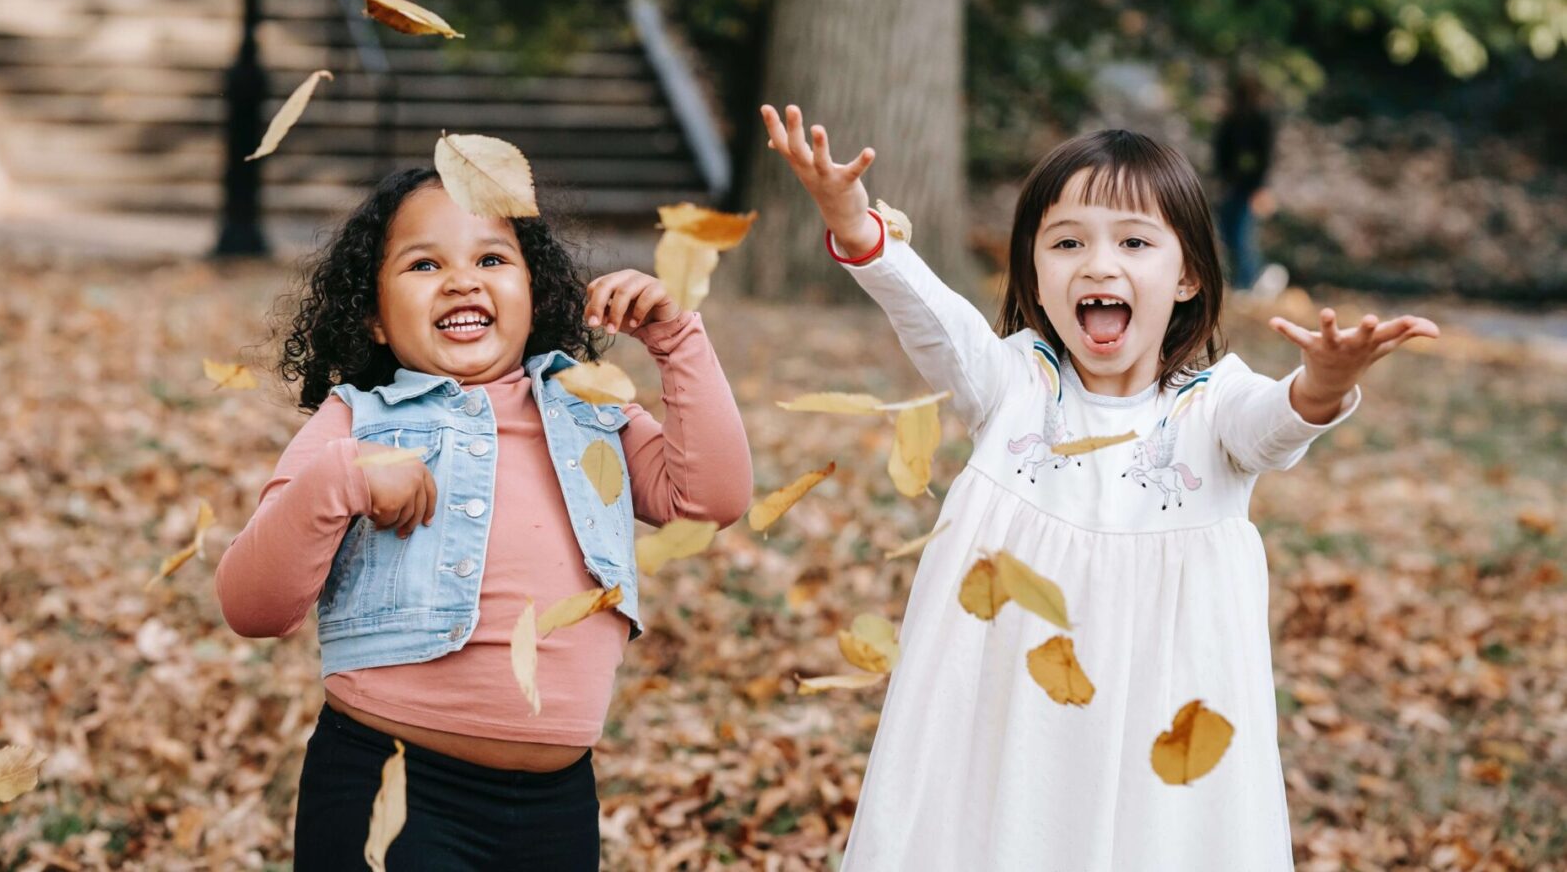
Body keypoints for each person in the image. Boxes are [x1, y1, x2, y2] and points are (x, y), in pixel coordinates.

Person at [761, 104, 1437, 871]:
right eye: (1068, 242)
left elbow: (1274, 425)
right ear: (1035, 275)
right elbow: (929, 314)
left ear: (1186, 277)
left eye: (1135, 242)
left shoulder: (1214, 406)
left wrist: (1322, 382)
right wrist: (853, 222)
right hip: (1008, 720)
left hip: (1163, 723)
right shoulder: (1011, 383)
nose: (1099, 263)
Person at [214, 167, 753, 871]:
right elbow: (251, 605)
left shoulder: (592, 408)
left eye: (492, 259)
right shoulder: (360, 422)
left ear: (535, 294)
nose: (463, 280)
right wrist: (343, 477)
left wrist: (677, 339)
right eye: (424, 263)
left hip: (558, 809)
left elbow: (710, 499)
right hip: (393, 785)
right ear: (374, 315)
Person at [1212, 72, 1277, 291]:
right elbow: (1221, 154)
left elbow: (1264, 157)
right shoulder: (1230, 121)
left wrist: (1259, 188)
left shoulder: (1260, 121)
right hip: (1233, 186)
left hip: (1247, 187)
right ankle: (1235, 281)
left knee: (1242, 235)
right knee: (1228, 234)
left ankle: (1247, 283)